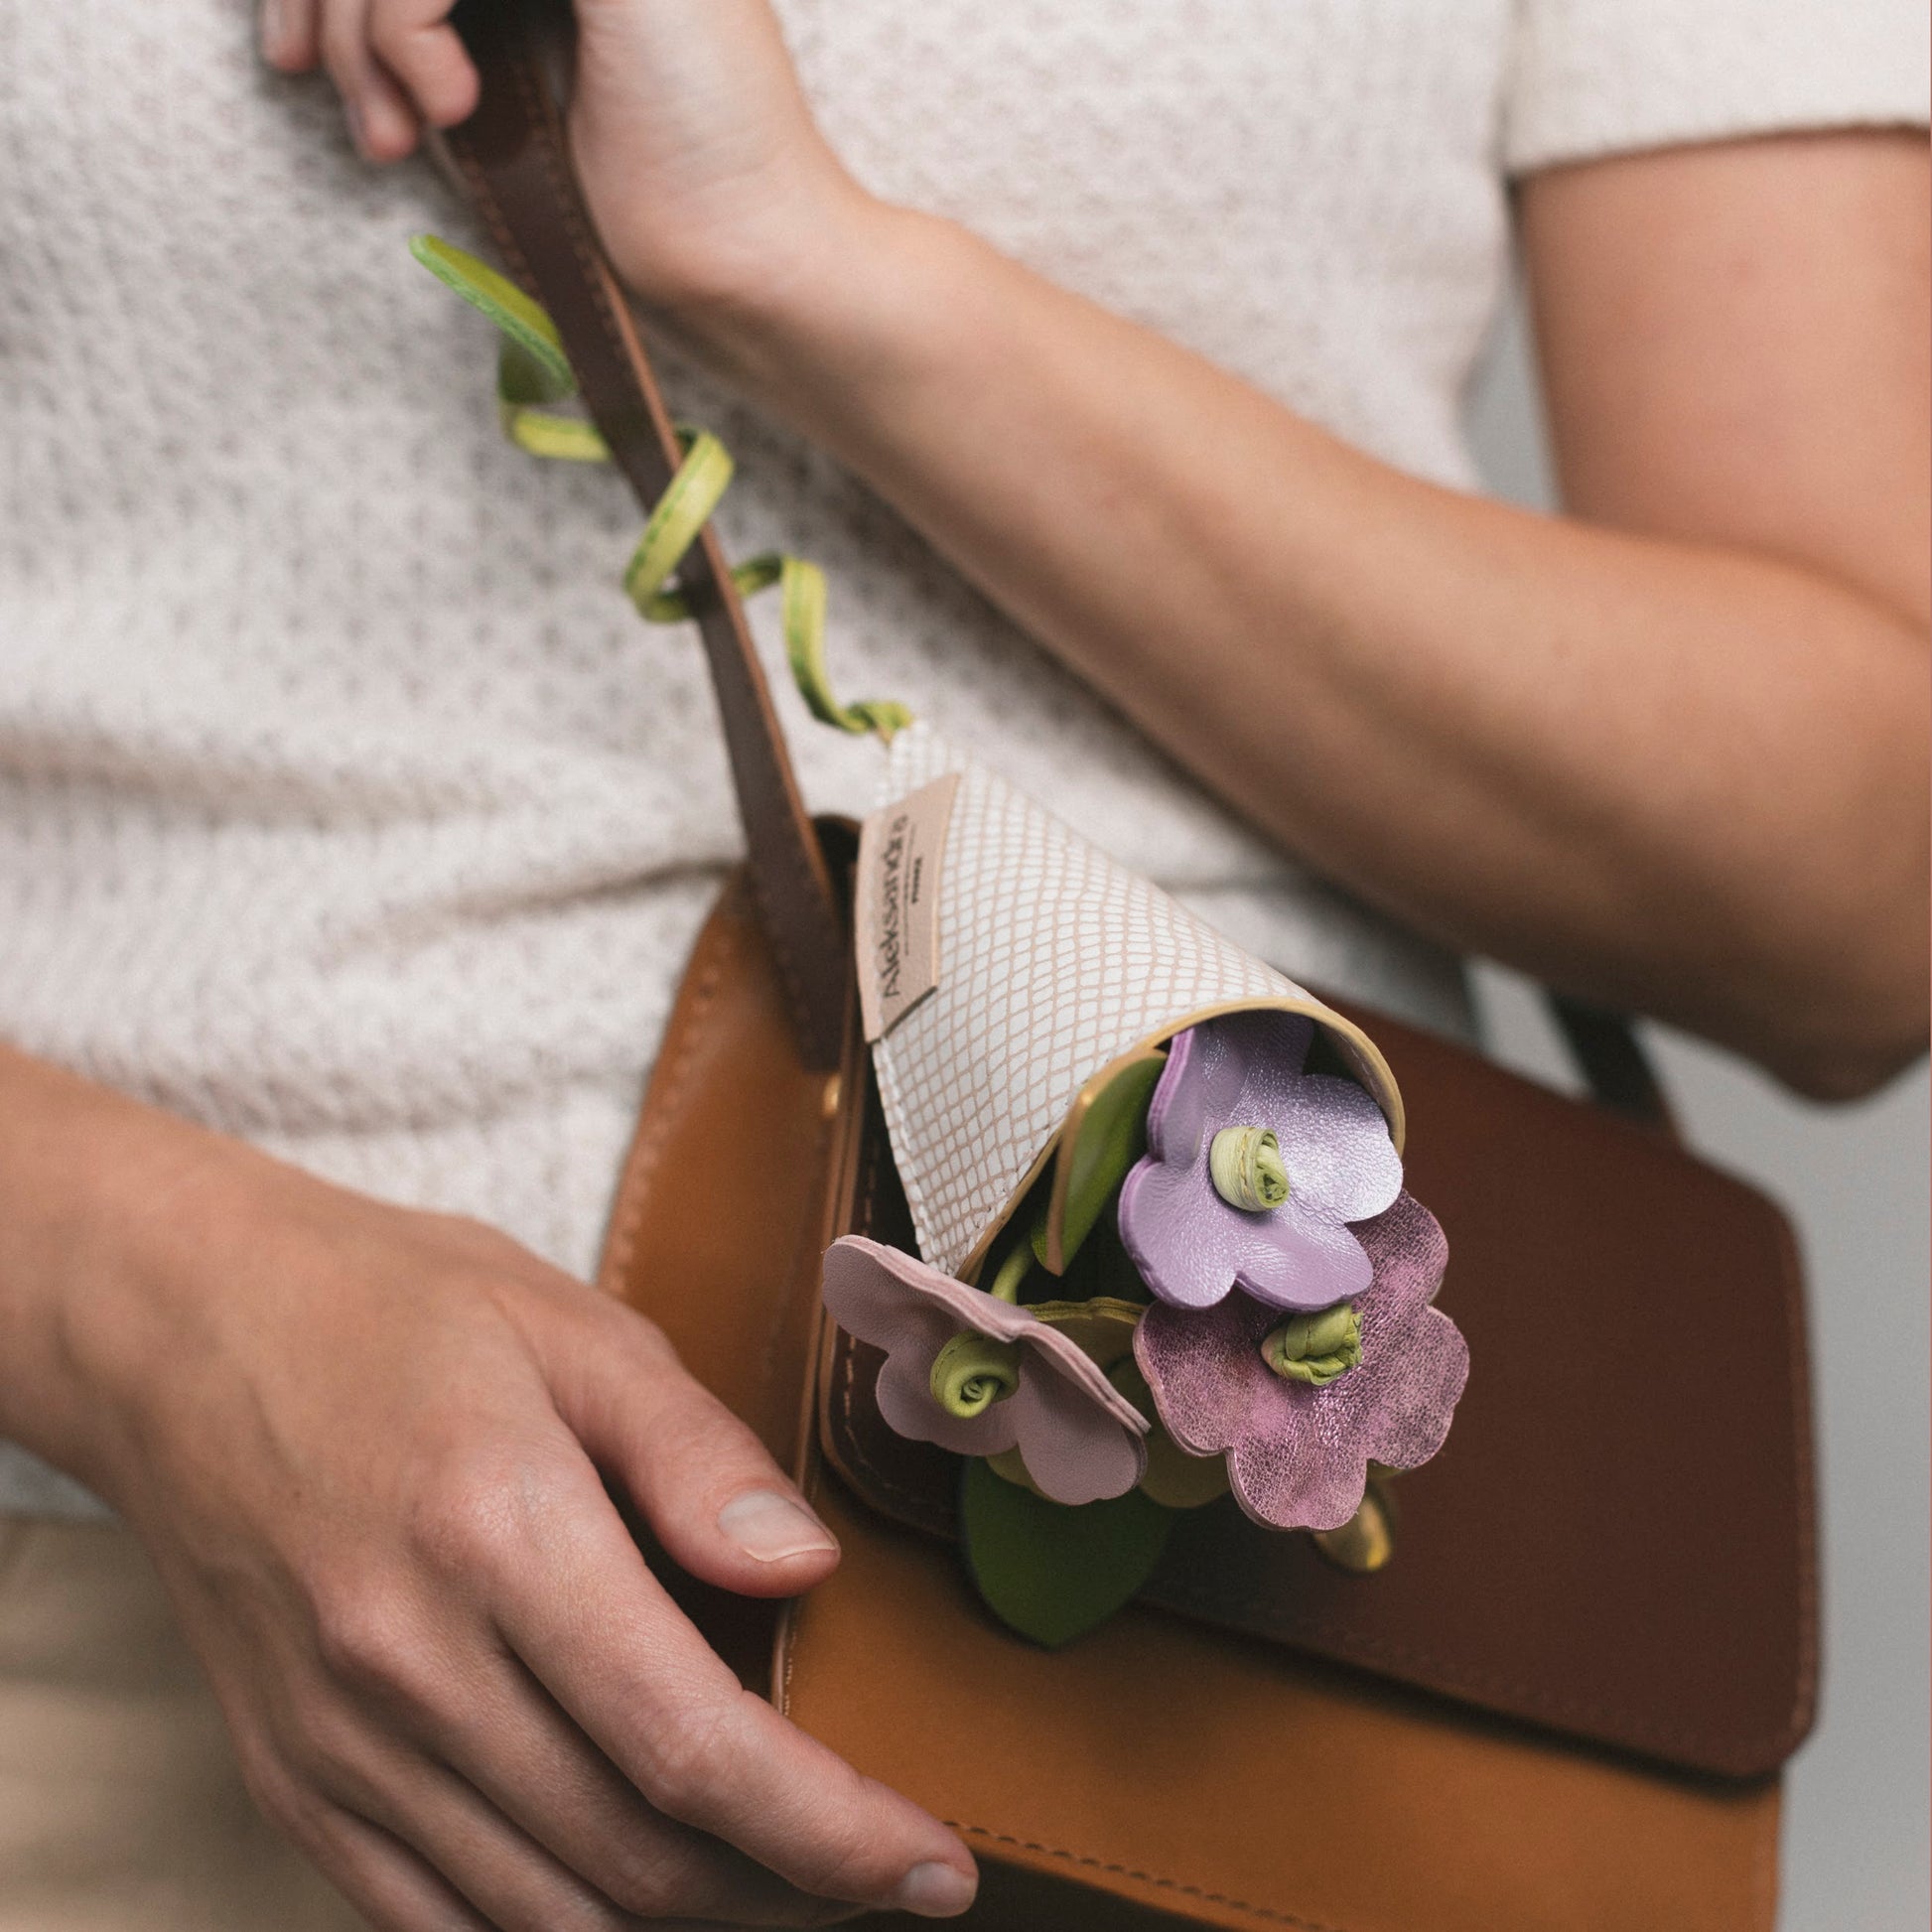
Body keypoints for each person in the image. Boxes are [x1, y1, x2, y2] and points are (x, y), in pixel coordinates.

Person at [0, 1, 1924, 1927]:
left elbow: (1867, 889)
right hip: (147, 1634)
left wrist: (799, 262)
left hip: (1279, 1698)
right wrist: (148, 1302)